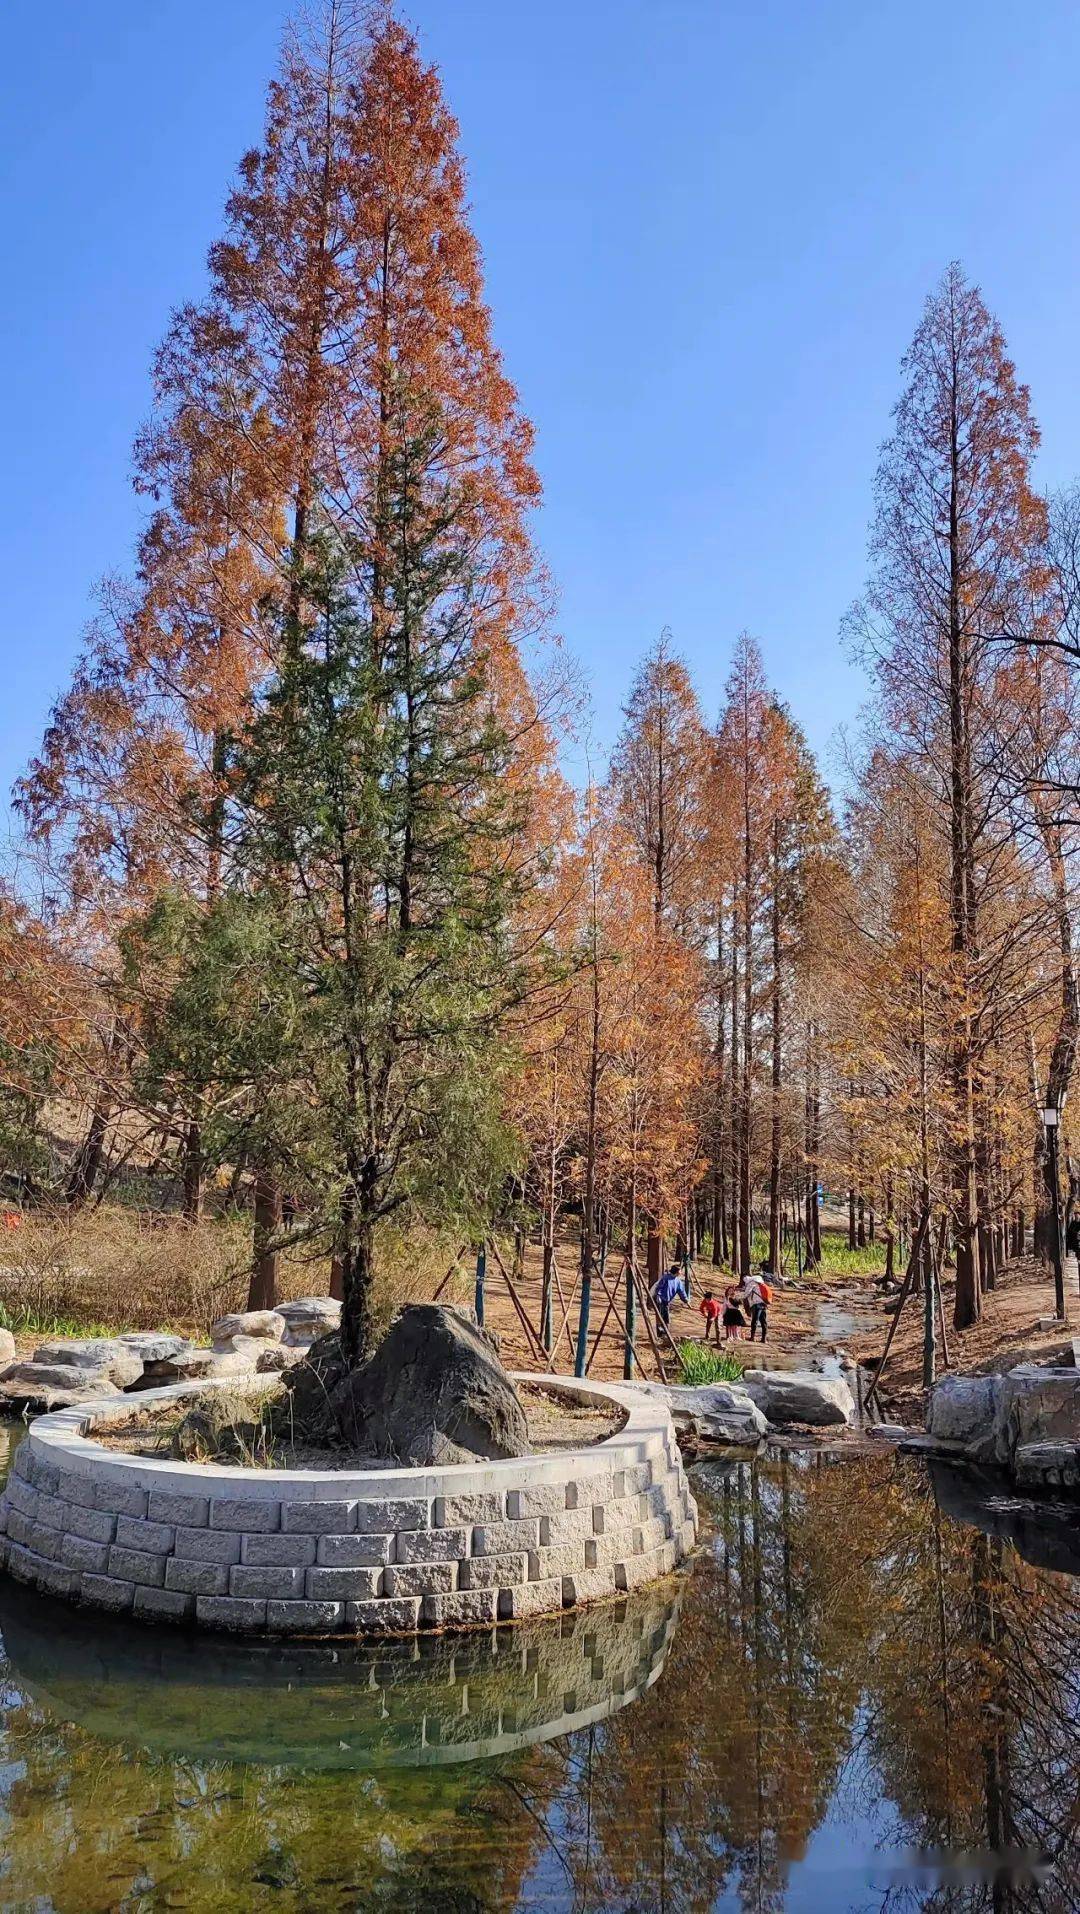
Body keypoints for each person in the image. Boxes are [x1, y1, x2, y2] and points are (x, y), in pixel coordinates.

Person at [651, 1263, 690, 1328]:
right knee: (660, 1315)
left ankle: (665, 1331)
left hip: (667, 1301)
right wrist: (658, 1296)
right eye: (680, 1271)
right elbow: (659, 1287)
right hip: (660, 1299)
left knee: (666, 1317)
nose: (681, 1272)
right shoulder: (665, 1278)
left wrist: (686, 1300)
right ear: (676, 1272)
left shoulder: (678, 1281)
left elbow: (681, 1292)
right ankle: (659, 1332)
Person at [745, 1265, 773, 1343]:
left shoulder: (752, 1283)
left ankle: (752, 1337)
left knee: (755, 1321)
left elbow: (746, 1294)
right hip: (764, 1304)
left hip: (756, 1304)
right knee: (763, 1321)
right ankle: (764, 1339)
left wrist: (738, 1297)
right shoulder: (761, 1283)